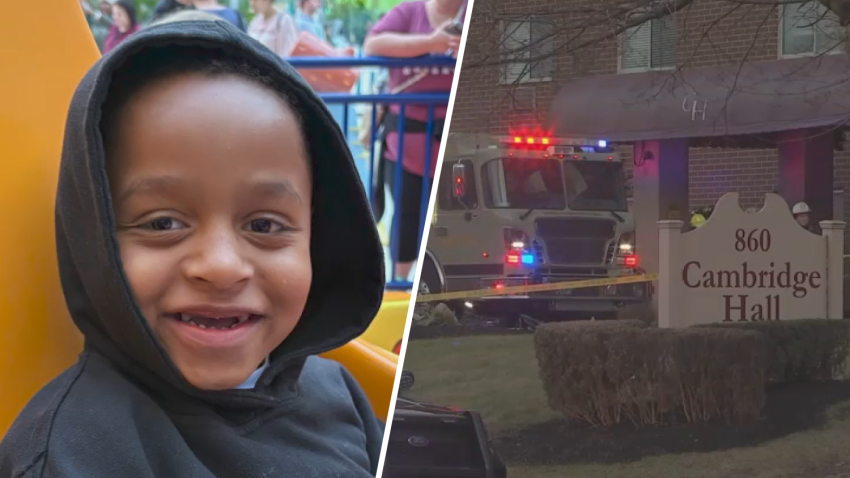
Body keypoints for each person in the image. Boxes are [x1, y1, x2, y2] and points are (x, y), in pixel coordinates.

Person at [0, 20, 384, 476]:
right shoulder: (71, 452)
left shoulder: (338, 391)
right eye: (163, 223)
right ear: (95, 240)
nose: (221, 266)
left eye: (264, 224)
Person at [363, 0, 462, 281]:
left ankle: (431, 287)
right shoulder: (409, 11)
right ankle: (400, 284)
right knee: (405, 216)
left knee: (449, 223)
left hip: (453, 150)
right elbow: (373, 45)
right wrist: (431, 43)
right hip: (405, 146)